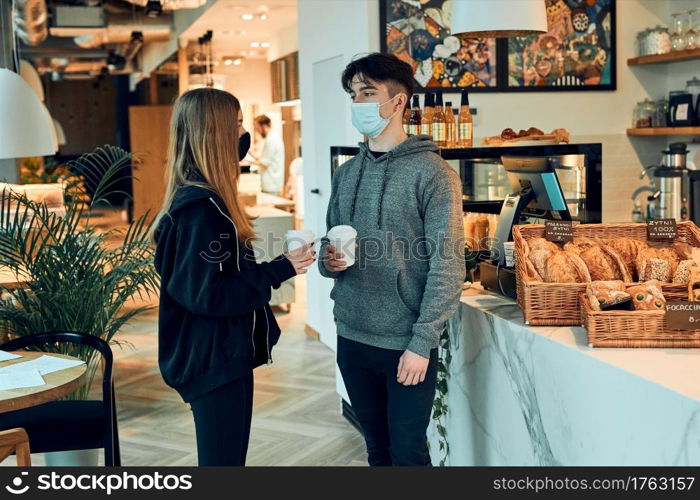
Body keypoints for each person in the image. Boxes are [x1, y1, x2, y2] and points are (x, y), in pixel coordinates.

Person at [152, 88, 315, 466]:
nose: (243, 135)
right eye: (237, 124)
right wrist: (281, 268)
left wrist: (280, 266)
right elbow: (209, 295)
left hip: (225, 354)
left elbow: (213, 279)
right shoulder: (200, 211)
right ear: (215, 133)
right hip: (214, 359)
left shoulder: (207, 201)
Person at [319, 53, 465, 466]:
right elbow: (326, 253)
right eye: (353, 94)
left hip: (405, 344)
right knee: (376, 451)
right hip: (351, 336)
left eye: (368, 93)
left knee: (408, 454)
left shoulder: (434, 174)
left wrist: (422, 343)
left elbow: (448, 266)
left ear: (398, 101)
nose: (357, 103)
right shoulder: (345, 175)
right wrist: (328, 261)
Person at [249, 115, 285, 195]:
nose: (256, 131)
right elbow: (265, 159)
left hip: (271, 185)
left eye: (256, 127)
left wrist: (247, 161)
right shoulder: (273, 137)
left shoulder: (271, 140)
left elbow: (264, 164)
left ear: (263, 126)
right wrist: (249, 153)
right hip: (272, 184)